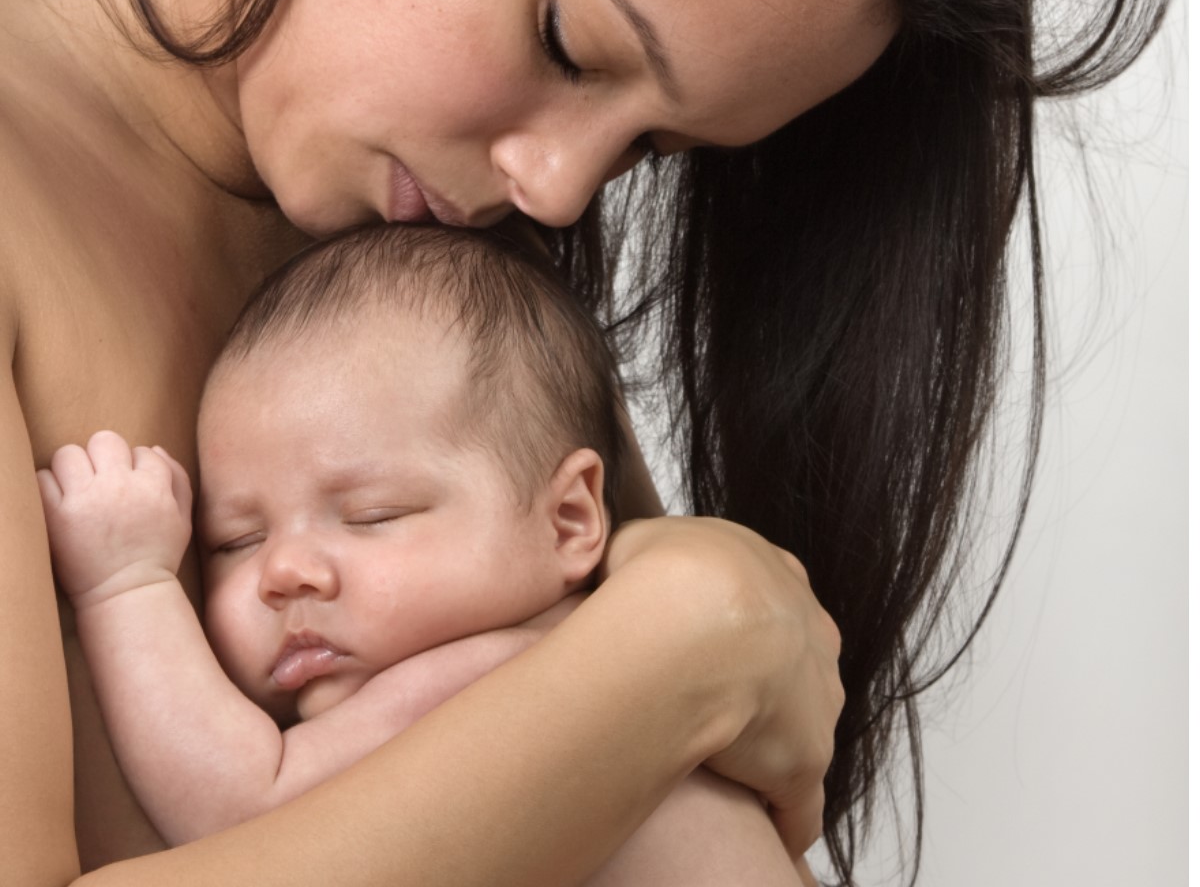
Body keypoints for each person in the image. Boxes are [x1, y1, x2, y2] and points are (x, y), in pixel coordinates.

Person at [0, 0, 1175, 884]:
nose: (558, 191)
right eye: (565, 40)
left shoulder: (438, 293)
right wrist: (678, 645)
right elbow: (665, 706)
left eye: (648, 149)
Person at [39, 222, 806, 886]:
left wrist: (128, 584)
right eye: (235, 542)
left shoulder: (499, 673)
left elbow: (242, 807)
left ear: (570, 519)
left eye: (374, 516)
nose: (284, 573)